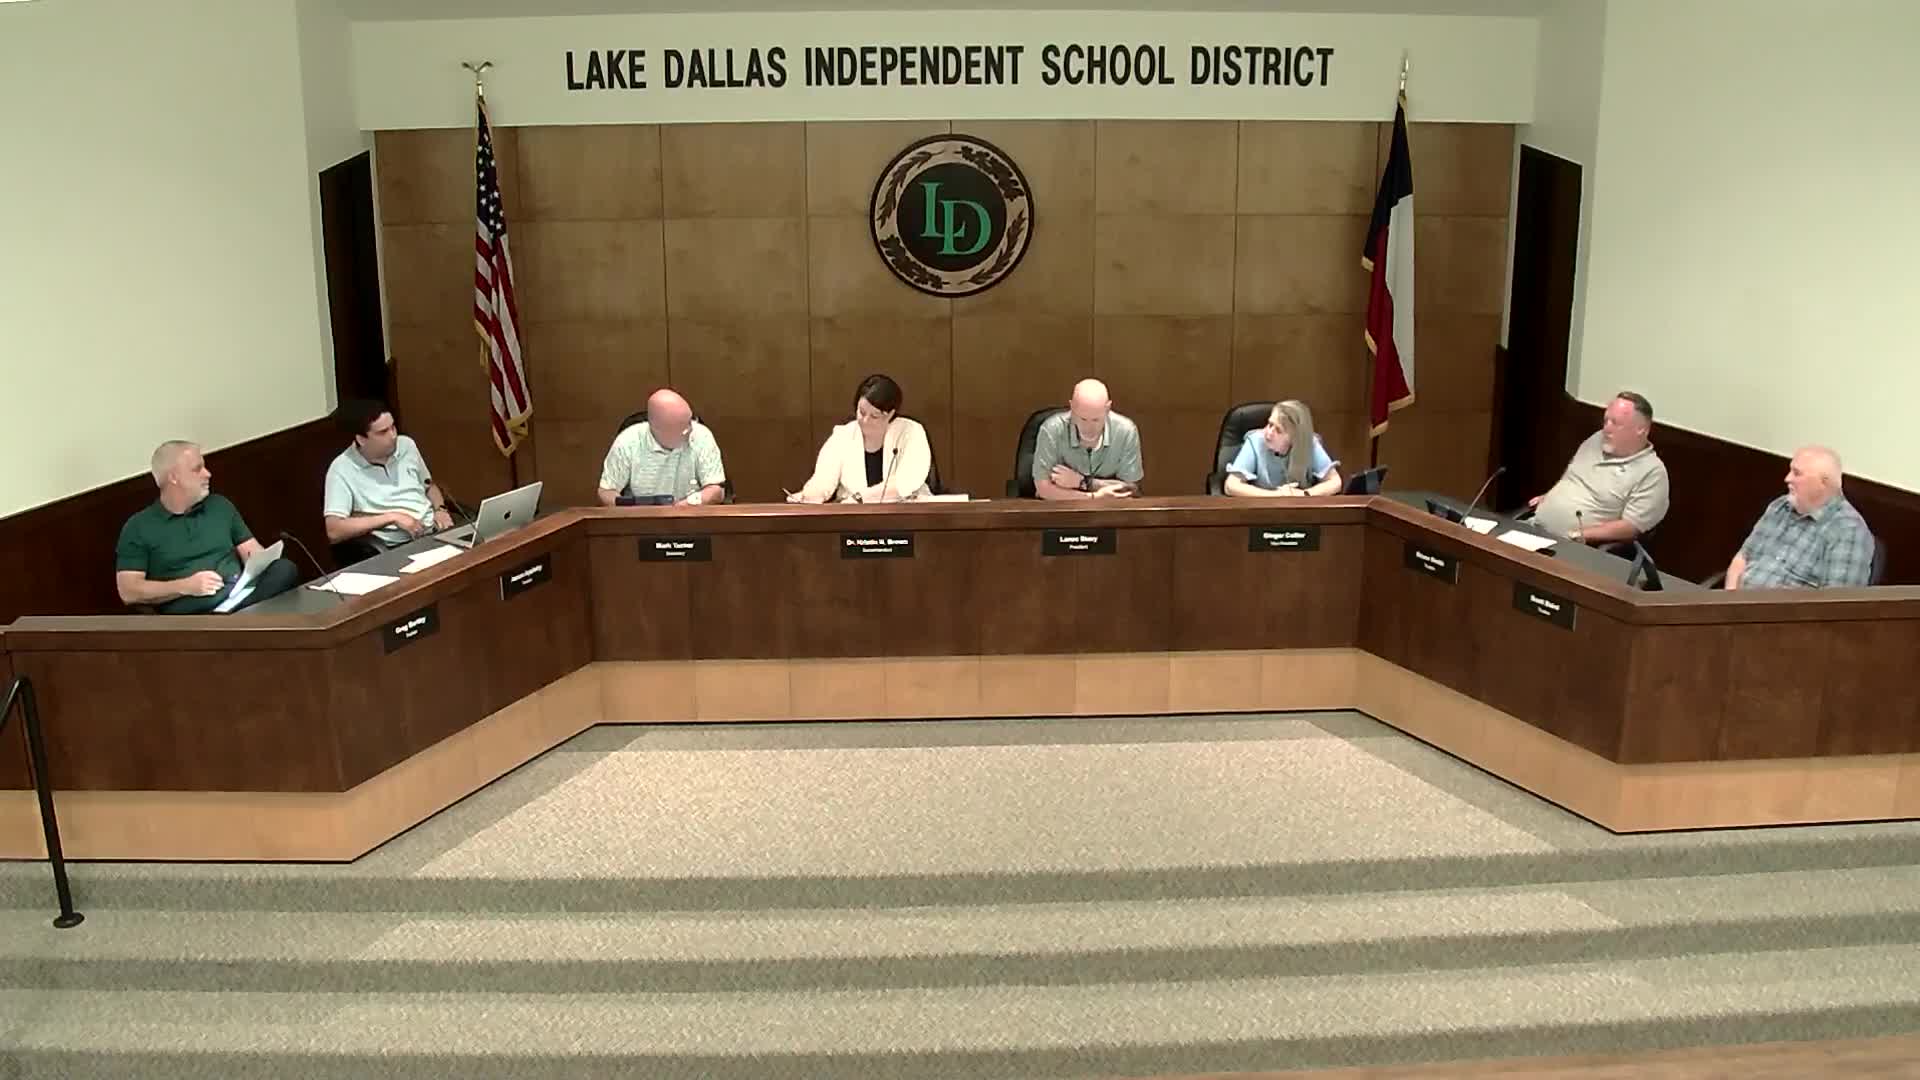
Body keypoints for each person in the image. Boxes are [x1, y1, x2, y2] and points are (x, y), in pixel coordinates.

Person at [114, 441, 301, 614]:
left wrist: (260, 561)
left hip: (240, 596)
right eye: (197, 469)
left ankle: (241, 622)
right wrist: (186, 586)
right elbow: (129, 591)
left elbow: (252, 552)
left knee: (284, 568)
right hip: (196, 616)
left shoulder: (219, 506)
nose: (207, 474)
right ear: (174, 477)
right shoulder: (138, 527)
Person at [1527, 391, 1670, 545]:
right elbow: (1571, 476)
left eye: (1615, 423)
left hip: (1572, 545)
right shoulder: (1597, 439)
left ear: (1641, 429)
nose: (1607, 429)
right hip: (1533, 525)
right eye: (1606, 420)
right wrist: (1549, 497)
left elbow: (1630, 527)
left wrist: (1579, 534)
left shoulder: (1652, 473)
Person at [1723, 446, 1875, 590]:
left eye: (1797, 473)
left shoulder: (1849, 531)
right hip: (1737, 605)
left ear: (1823, 482)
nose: (1787, 478)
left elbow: (1837, 603)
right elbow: (1742, 558)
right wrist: (1729, 601)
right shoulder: (1780, 506)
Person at [323, 399, 453, 549]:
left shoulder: (406, 445)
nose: (393, 435)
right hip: (398, 546)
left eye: (393, 427)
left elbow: (429, 486)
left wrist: (440, 509)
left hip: (435, 532)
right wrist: (392, 517)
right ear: (361, 439)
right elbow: (334, 530)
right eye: (383, 432)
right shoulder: (341, 469)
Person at [788, 374, 932, 503]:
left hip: (905, 514)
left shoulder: (911, 431)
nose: (865, 420)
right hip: (854, 518)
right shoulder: (843, 435)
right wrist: (812, 494)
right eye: (861, 412)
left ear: (890, 414)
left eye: (874, 416)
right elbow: (823, 478)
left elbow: (907, 481)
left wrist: (860, 498)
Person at [597, 388, 726, 507]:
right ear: (656, 430)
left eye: (690, 421)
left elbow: (716, 490)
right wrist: (632, 511)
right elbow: (606, 492)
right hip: (641, 519)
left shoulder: (701, 435)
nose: (691, 429)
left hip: (691, 516)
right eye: (684, 428)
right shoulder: (628, 442)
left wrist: (685, 505)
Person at [1031, 378, 1144, 500]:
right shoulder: (1052, 429)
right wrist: (1093, 497)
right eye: (1083, 419)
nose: (1089, 428)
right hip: (1062, 508)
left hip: (1111, 508)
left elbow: (1131, 489)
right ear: (1072, 407)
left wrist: (1084, 482)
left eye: (1096, 420)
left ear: (1108, 409)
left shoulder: (1126, 431)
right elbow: (1043, 488)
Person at [1222, 400, 1344, 498]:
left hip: (1300, 510)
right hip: (1262, 510)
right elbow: (1231, 485)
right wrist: (1276, 495)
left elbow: (1335, 482)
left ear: (1295, 437)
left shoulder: (1309, 444)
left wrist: (1305, 494)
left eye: (1278, 430)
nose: (1269, 433)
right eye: (1270, 424)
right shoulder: (1255, 441)